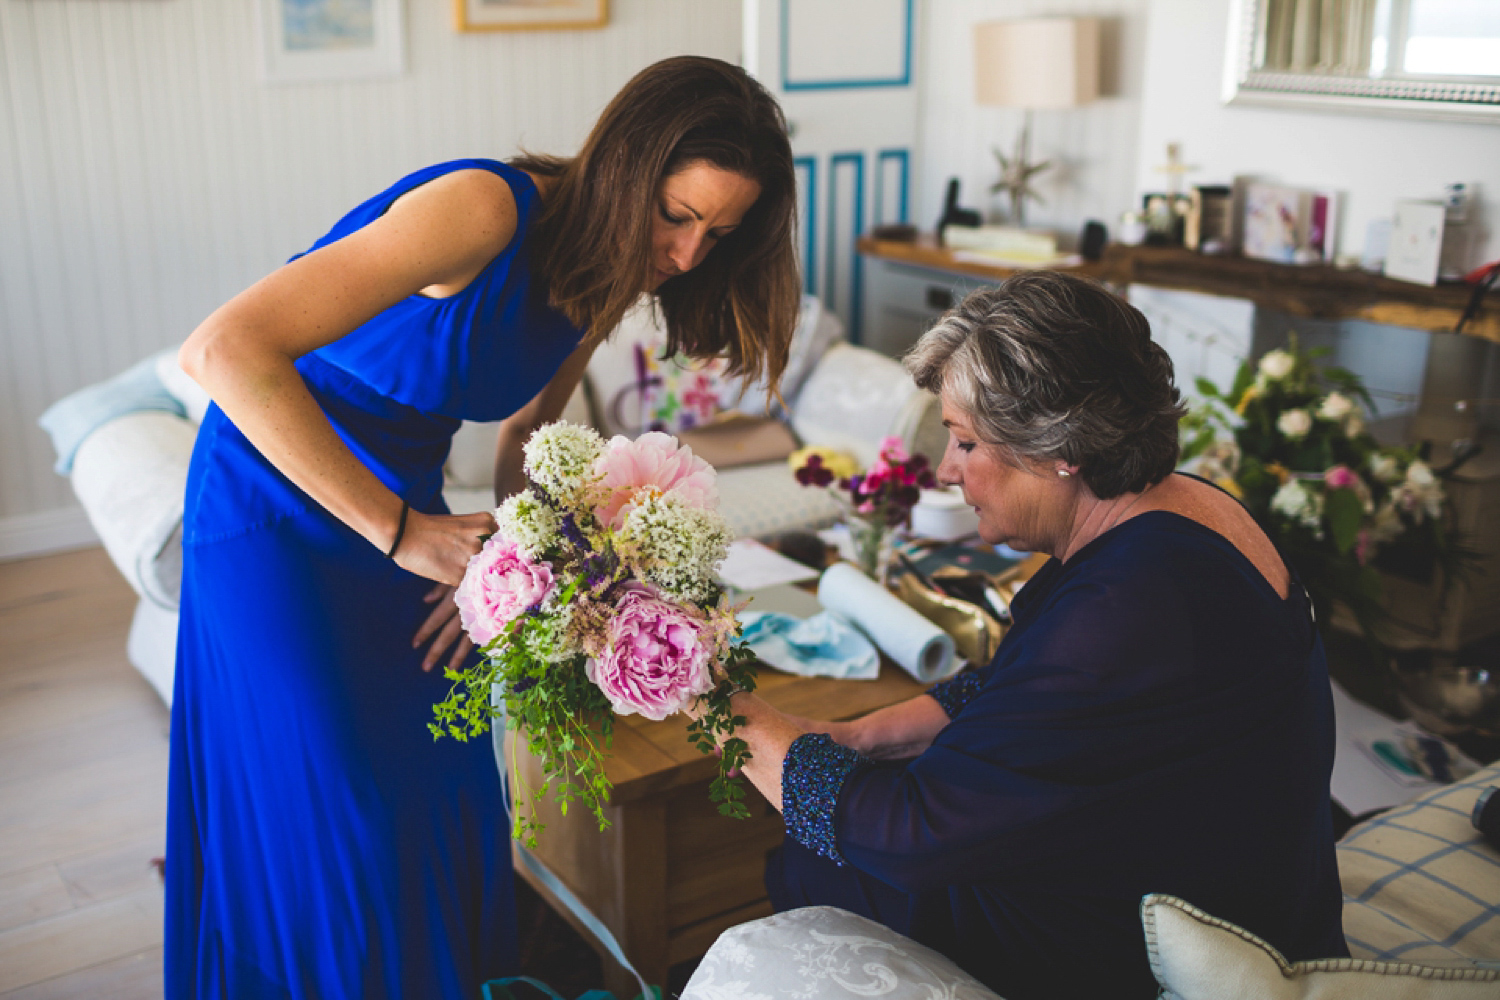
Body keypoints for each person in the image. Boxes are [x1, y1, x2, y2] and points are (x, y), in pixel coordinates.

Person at [164, 55, 798, 999]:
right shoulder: (481, 209)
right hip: (276, 507)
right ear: (629, 170)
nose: (690, 255)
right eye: (678, 215)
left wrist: (518, 569)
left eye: (722, 232)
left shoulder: (608, 268)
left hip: (411, 517)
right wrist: (403, 534)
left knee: (445, 787)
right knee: (345, 814)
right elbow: (221, 350)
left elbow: (525, 442)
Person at [704, 272, 1348, 1000]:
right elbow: (1011, 688)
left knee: (822, 856)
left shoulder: (1129, 610)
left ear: (1057, 449)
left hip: (1186, 948)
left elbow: (912, 837)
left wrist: (724, 712)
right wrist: (853, 739)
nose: (946, 470)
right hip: (1233, 882)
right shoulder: (1182, 510)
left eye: (965, 443)